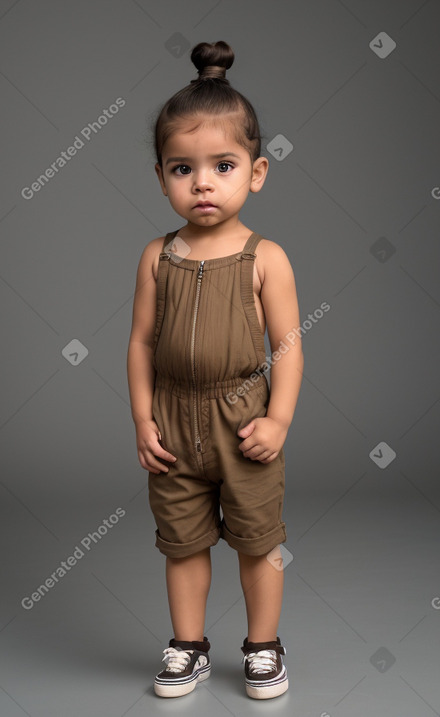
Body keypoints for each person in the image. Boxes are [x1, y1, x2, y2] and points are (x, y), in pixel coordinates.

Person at [126, 40, 303, 700]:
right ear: (161, 175)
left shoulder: (266, 257)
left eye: (222, 165)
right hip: (173, 417)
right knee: (182, 541)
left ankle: (262, 644)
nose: (202, 182)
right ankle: (187, 644)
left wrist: (278, 417)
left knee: (258, 540)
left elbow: (288, 346)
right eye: (182, 168)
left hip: (242, 417)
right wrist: (143, 417)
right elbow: (141, 342)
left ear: (255, 173)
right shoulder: (155, 256)